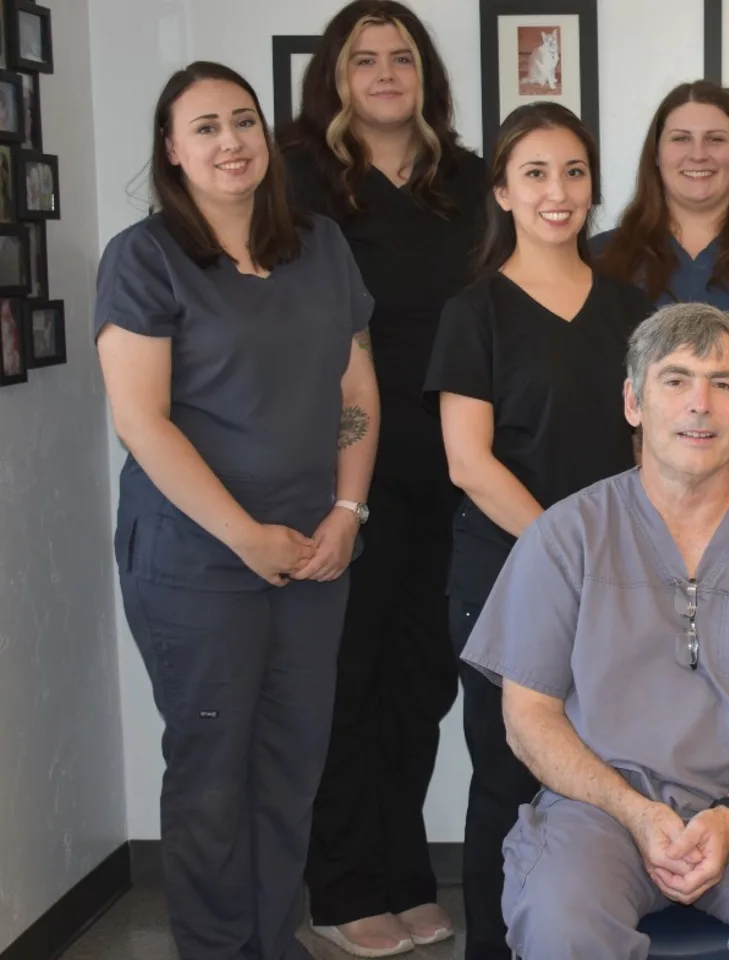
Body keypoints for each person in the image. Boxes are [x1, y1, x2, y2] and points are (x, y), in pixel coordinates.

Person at [457, 301, 729, 959]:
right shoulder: (565, 537)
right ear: (634, 402)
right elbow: (528, 717)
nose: (701, 405)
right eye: (676, 380)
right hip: (602, 809)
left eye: (723, 385)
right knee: (559, 921)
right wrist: (635, 810)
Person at [94, 61, 378, 960]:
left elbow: (356, 387)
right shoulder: (144, 259)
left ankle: (270, 941)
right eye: (206, 127)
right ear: (172, 151)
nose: (231, 141)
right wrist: (244, 536)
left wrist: (348, 511)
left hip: (313, 553)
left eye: (244, 121)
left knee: (290, 767)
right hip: (195, 560)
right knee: (214, 774)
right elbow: (140, 420)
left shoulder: (323, 246)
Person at [422, 100, 654, 960]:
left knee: (613, 780)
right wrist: (570, 550)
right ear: (503, 193)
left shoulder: (635, 308)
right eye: (535, 173)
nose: (558, 192)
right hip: (508, 580)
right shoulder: (473, 312)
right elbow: (469, 463)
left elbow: (660, 446)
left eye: (574, 172)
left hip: (622, 583)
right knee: (507, 784)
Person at [279, 3, 487, 953]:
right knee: (346, 676)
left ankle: (403, 869)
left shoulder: (472, 183)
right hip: (345, 465)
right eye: (364, 59)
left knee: (421, 680)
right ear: (336, 76)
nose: (385, 72)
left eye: (401, 56)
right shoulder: (300, 179)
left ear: (425, 74)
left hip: (454, 466)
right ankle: (341, 882)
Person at [591, 80, 729, 312]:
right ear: (657, 154)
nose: (698, 155)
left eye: (715, 139)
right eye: (681, 138)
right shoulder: (601, 258)